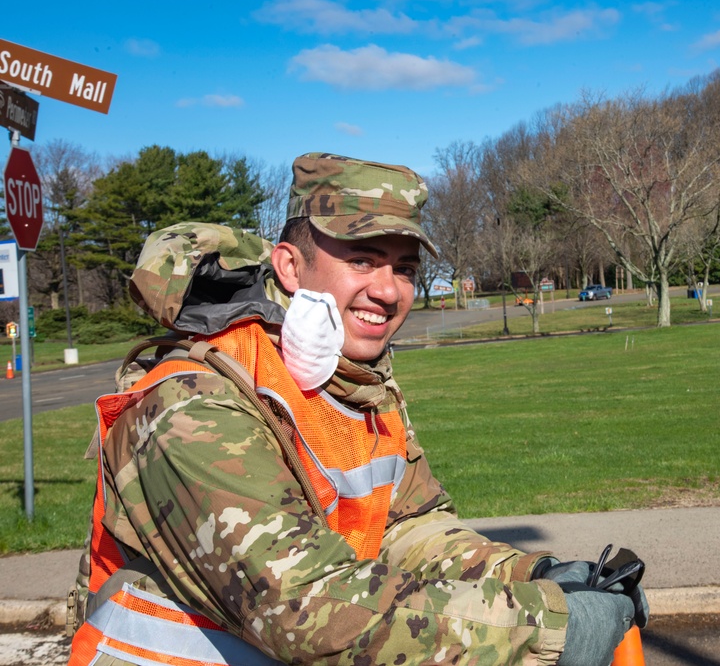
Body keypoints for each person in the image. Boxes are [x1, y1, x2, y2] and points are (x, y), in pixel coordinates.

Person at [67, 152, 646, 666]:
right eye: (363, 261)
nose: (390, 290)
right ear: (291, 268)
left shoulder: (358, 389)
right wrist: (548, 626)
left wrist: (533, 576)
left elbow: (408, 532)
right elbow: (305, 609)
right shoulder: (195, 405)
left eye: (405, 268)